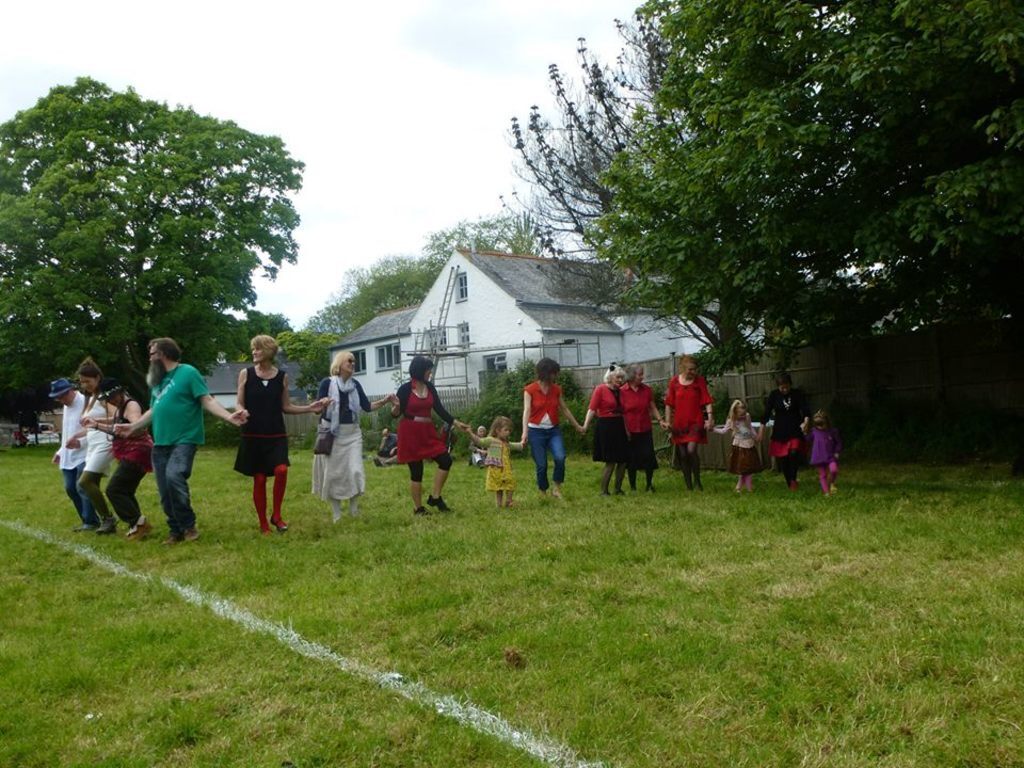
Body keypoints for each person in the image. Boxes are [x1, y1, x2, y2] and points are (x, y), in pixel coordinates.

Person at [115, 337, 247, 544]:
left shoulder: (188, 373)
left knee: (174, 476)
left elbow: (207, 399)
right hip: (161, 443)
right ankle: (175, 531)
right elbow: (153, 410)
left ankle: (188, 526)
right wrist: (133, 426)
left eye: (151, 354)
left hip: (185, 439)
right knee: (165, 490)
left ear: (163, 354)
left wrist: (228, 416)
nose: (149, 358)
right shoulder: (157, 380)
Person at [235, 335, 326, 534]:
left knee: (282, 470)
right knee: (259, 480)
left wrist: (310, 408)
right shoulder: (245, 374)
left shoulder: (281, 377)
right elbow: (239, 402)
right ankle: (263, 524)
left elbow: (286, 407)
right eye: (253, 349)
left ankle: (276, 515)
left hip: (275, 434)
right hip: (253, 435)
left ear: (267, 351)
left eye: (257, 349)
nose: (254, 352)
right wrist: (241, 411)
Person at [313, 350, 394, 521]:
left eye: (354, 361)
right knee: (334, 474)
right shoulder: (327, 383)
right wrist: (323, 404)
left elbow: (367, 406)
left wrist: (385, 401)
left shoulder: (355, 385)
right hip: (332, 433)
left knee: (355, 470)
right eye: (349, 361)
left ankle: (354, 508)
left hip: (353, 434)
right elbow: (317, 410)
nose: (353, 364)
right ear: (340, 364)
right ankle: (336, 513)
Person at [391, 355, 467, 515]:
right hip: (410, 431)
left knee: (445, 460)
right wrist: (395, 409)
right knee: (417, 471)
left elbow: (439, 409)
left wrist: (456, 423)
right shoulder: (405, 389)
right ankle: (418, 508)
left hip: (427, 431)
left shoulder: (430, 387)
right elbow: (396, 414)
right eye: (428, 371)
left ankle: (435, 497)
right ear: (420, 371)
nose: (430, 374)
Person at [83, 378, 155, 539]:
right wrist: (96, 422)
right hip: (132, 452)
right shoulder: (121, 407)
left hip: (137, 452)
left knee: (114, 490)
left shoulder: (131, 406)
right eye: (107, 399)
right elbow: (117, 424)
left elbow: (136, 426)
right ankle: (137, 525)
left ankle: (138, 522)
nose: (110, 401)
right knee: (126, 490)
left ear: (120, 392)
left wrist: (97, 425)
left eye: (111, 397)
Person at [521, 357, 585, 498]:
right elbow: (526, 411)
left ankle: (556, 489)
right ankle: (543, 491)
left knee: (560, 457)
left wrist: (577, 426)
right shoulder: (530, 390)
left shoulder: (556, 390)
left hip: (553, 431)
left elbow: (564, 409)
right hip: (535, 432)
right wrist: (524, 433)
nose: (556, 376)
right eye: (554, 373)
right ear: (545, 373)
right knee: (542, 464)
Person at [49, 378, 99, 531]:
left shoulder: (87, 403)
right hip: (68, 456)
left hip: (85, 453)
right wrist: (60, 451)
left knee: (82, 487)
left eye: (62, 396)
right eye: (57, 397)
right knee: (70, 488)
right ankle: (87, 519)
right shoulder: (66, 407)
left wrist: (81, 443)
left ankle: (90, 521)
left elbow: (95, 428)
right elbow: (68, 432)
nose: (60, 400)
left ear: (70, 390)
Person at [75, 358, 119, 534]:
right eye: (81, 382)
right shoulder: (90, 398)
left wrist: (96, 420)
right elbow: (89, 424)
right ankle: (105, 521)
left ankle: (108, 519)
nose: (85, 385)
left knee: (85, 481)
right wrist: (75, 437)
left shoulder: (104, 397)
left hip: (105, 442)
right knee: (92, 483)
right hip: (92, 443)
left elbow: (118, 416)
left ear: (98, 378)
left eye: (88, 381)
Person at [663, 354, 714, 490]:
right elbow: (668, 403)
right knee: (683, 454)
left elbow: (707, 400)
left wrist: (710, 418)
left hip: (696, 421)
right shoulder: (674, 382)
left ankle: (697, 480)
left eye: (695, 369)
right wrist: (668, 422)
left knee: (691, 450)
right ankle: (688, 485)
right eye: (690, 369)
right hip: (679, 423)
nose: (693, 372)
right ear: (683, 368)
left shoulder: (700, 381)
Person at [582, 365, 630, 495]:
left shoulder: (621, 392)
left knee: (623, 460)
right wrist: (585, 426)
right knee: (611, 461)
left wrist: (627, 430)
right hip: (606, 426)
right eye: (618, 377)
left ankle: (618, 489)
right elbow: (592, 409)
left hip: (619, 425)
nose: (620, 380)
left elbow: (624, 412)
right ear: (610, 377)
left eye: (622, 378)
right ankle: (604, 491)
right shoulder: (600, 389)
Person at [760, 372, 812, 491]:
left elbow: (805, 409)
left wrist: (806, 421)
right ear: (778, 386)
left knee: (794, 453)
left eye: (786, 386)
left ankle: (793, 479)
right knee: (783, 457)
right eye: (781, 387)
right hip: (780, 430)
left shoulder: (797, 394)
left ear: (790, 384)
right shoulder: (774, 395)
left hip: (795, 428)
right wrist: (761, 430)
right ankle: (789, 482)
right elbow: (767, 412)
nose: (784, 389)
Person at [460, 416, 525, 508]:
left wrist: (522, 444)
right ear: (498, 430)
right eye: (506, 430)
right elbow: (479, 441)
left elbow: (515, 446)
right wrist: (470, 433)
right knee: (498, 487)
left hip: (506, 468)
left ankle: (509, 501)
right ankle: (499, 504)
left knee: (510, 483)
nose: (508, 432)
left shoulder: (506, 442)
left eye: (509, 431)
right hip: (496, 469)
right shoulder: (491, 440)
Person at [619, 363, 665, 492]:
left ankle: (649, 485)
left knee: (648, 457)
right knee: (632, 459)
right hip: (630, 430)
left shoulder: (647, 390)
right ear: (632, 376)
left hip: (645, 429)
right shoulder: (622, 392)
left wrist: (660, 420)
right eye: (640, 374)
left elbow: (652, 407)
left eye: (642, 374)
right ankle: (633, 487)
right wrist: (624, 430)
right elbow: (621, 413)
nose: (642, 377)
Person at [715, 399, 763, 492]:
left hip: (749, 444)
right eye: (741, 415)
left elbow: (750, 428)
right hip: (740, 446)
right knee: (742, 467)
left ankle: (748, 487)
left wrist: (755, 436)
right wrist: (713, 429)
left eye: (744, 414)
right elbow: (723, 431)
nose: (743, 416)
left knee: (749, 467)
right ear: (735, 413)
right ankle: (740, 486)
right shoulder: (731, 421)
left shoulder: (747, 417)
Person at [808, 409, 842, 495]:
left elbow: (838, 442)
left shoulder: (833, 431)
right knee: (822, 475)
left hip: (831, 456)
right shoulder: (814, 431)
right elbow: (807, 439)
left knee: (834, 470)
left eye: (821, 424)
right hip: (818, 456)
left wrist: (837, 452)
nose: (820, 427)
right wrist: (804, 430)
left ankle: (831, 483)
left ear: (826, 422)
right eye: (817, 425)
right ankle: (826, 492)